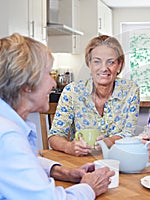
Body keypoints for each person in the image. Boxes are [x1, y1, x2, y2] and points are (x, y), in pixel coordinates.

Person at [0, 33, 114, 199]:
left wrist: (62, 172)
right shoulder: (7, 136)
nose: (54, 83)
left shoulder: (8, 125)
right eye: (48, 74)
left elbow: (23, 162)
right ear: (27, 85)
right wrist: (89, 188)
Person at [49, 35, 140, 156]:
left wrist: (107, 142)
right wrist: (68, 146)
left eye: (111, 62)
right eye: (97, 61)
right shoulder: (72, 91)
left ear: (119, 65)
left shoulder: (131, 90)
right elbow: (55, 136)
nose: (104, 68)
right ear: (89, 64)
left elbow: (128, 134)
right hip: (81, 163)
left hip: (119, 161)